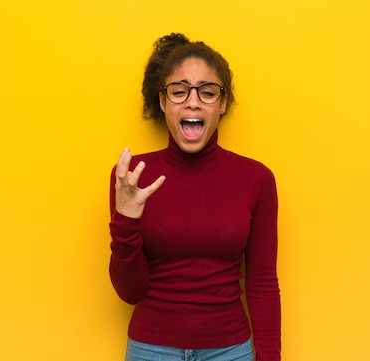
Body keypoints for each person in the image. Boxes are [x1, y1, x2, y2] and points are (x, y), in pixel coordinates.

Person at [108, 33, 281, 361]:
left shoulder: (256, 179)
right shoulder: (131, 179)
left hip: (230, 350)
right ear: (162, 102)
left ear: (223, 103)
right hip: (150, 350)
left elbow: (262, 284)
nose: (192, 101)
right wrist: (126, 220)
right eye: (179, 91)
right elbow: (129, 292)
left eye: (207, 92)